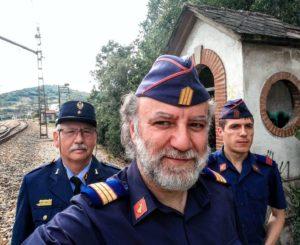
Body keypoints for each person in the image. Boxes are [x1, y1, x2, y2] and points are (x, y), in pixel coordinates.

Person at [24, 55, 245, 244]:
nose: (183, 143)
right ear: (133, 130)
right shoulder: (93, 219)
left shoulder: (221, 195)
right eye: (163, 123)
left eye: (196, 125)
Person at [12, 100, 119, 244]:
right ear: (57, 138)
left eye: (87, 131)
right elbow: (20, 239)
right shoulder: (34, 182)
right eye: (70, 132)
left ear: (95, 137)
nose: (79, 139)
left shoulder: (114, 180)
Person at [207, 99, 286, 245]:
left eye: (248, 126)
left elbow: (278, 215)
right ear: (220, 132)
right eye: (235, 126)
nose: (243, 133)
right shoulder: (206, 170)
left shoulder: (267, 169)